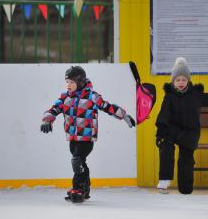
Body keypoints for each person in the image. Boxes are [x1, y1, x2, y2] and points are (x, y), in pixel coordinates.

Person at [40, 66, 136, 203]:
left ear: (80, 82)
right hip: (72, 137)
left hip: (86, 137)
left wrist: (124, 116)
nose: (68, 85)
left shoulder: (92, 96)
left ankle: (78, 188)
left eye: (72, 82)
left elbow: (108, 107)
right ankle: (84, 189)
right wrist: (47, 120)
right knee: (79, 163)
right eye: (67, 82)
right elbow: (54, 109)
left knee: (77, 161)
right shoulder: (65, 98)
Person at [155, 57, 208, 194]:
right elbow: (164, 114)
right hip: (174, 130)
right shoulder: (169, 97)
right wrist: (161, 132)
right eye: (178, 80)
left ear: (188, 80)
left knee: (186, 158)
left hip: (189, 132)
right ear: (173, 81)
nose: (181, 83)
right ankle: (164, 180)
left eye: (183, 79)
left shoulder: (196, 95)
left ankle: (186, 189)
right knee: (165, 145)